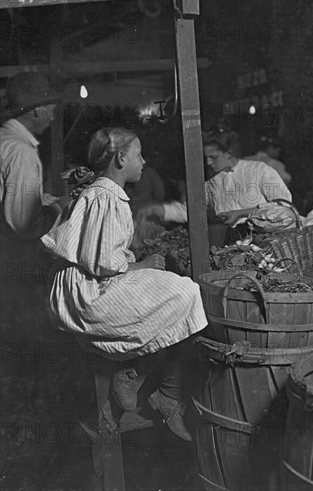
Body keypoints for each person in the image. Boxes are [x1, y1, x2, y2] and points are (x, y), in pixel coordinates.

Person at [40, 127, 207, 441]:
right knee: (186, 292)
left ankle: (130, 373)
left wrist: (139, 266)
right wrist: (140, 265)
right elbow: (102, 262)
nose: (143, 161)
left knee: (170, 288)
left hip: (82, 284)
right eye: (138, 154)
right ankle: (148, 382)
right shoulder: (105, 196)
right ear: (120, 158)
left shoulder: (101, 191)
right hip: (87, 292)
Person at [139, 129, 292, 234]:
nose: (208, 162)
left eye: (213, 157)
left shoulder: (259, 170)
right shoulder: (211, 183)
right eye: (206, 157)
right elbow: (191, 211)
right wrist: (159, 210)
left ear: (229, 152)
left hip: (269, 242)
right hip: (235, 243)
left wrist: (242, 213)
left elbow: (284, 207)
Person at [0, 72, 64, 278]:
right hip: (14, 261)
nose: (53, 118)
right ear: (37, 111)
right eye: (51, 111)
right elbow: (25, 225)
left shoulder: (5, 140)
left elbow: (12, 197)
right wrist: (61, 206)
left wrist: (48, 199)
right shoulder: (21, 152)